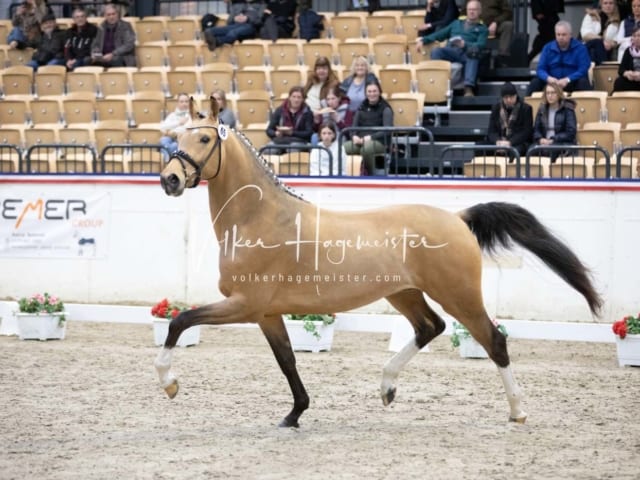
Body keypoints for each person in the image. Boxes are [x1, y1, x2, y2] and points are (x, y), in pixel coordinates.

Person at [416, 1, 488, 97]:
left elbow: (481, 45)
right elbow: (440, 34)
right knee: (436, 52)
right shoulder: (456, 23)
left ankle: (468, 88)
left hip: (467, 53)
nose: (471, 12)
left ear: (480, 11)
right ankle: (438, 84)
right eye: (469, 9)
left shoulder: (482, 28)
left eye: (474, 10)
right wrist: (424, 40)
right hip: (452, 51)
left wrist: (465, 45)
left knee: (473, 53)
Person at [526, 21, 592, 95]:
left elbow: (583, 69)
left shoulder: (580, 48)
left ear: (570, 35)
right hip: (552, 83)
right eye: (558, 35)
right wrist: (548, 78)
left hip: (572, 82)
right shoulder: (547, 48)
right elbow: (540, 69)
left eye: (564, 35)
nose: (561, 37)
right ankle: (527, 106)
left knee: (583, 82)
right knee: (535, 82)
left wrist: (568, 79)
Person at [343, 79, 394, 176]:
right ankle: (347, 174)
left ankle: (370, 175)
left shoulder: (386, 108)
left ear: (379, 92)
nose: (372, 94)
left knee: (366, 149)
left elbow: (387, 130)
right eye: (369, 92)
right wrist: (353, 136)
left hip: (380, 142)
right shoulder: (361, 107)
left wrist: (370, 138)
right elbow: (353, 127)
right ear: (366, 93)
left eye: (374, 91)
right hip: (360, 141)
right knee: (344, 148)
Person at [484, 82, 533, 156]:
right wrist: (498, 142)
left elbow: (526, 132)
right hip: (500, 142)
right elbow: (491, 131)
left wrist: (510, 142)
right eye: (506, 97)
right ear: (502, 98)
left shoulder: (526, 109)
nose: (509, 100)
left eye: (511, 97)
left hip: (517, 142)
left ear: (516, 95)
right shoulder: (496, 108)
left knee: (515, 151)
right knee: (479, 147)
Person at [532, 82, 577, 161]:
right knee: (531, 150)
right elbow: (536, 129)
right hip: (544, 141)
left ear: (558, 94)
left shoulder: (567, 109)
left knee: (552, 150)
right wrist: (540, 139)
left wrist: (553, 139)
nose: (550, 96)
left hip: (561, 142)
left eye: (553, 93)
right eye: (548, 93)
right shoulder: (542, 109)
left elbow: (571, 132)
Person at [266, 86, 314, 153]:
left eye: (299, 97)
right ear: (289, 98)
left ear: (303, 99)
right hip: (280, 140)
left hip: (298, 141)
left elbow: (309, 132)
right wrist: (276, 133)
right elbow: (269, 130)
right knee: (269, 150)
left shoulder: (307, 112)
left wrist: (292, 133)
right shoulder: (280, 110)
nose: (296, 100)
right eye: (294, 97)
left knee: (292, 149)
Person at [90, 3, 136, 67]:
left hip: (121, 57)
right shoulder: (101, 27)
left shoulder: (125, 26)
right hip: (103, 57)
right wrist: (96, 53)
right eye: (108, 15)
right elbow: (95, 44)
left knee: (115, 61)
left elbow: (129, 45)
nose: (111, 17)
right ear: (105, 16)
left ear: (117, 14)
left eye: (113, 14)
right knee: (88, 61)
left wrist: (113, 54)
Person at [303, 56, 340, 127]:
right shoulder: (311, 80)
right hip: (305, 113)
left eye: (324, 68)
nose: (321, 71)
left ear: (329, 70)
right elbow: (304, 94)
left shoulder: (333, 83)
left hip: (319, 117)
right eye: (319, 68)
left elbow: (331, 104)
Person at [580, 0, 620, 65]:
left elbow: (616, 40)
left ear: (615, 5)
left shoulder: (616, 21)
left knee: (594, 52)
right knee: (598, 43)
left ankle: (597, 70)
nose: (608, 5)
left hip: (605, 50)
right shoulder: (591, 16)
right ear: (601, 5)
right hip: (588, 46)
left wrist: (611, 44)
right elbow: (585, 35)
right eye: (605, 3)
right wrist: (602, 40)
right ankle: (604, 68)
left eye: (611, 3)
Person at [480, 0, 514, 66]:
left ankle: (502, 57)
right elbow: (464, 13)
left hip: (495, 26)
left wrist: (496, 22)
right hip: (476, 26)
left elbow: (507, 12)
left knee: (508, 25)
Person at [613, 26, 640, 91]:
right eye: (634, 36)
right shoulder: (628, 50)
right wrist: (627, 73)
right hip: (632, 79)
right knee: (619, 82)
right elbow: (621, 69)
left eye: (639, 35)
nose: (636, 38)